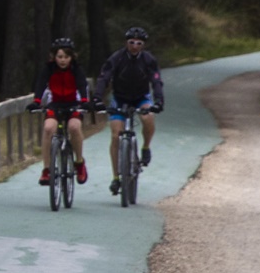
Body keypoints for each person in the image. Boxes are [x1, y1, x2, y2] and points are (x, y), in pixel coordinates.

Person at [95, 27, 164, 197]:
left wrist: (159, 101)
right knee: (115, 135)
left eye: (139, 43)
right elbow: (104, 77)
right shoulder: (117, 58)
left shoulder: (148, 59)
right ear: (126, 43)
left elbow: (156, 81)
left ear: (143, 45)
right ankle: (115, 177)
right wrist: (97, 98)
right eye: (131, 42)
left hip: (141, 97)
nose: (134, 46)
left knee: (148, 118)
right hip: (120, 98)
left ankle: (146, 147)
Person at [32, 37, 90, 185]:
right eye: (60, 57)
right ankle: (46, 170)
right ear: (54, 57)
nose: (63, 60)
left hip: (74, 104)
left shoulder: (76, 69)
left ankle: (79, 163)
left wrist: (85, 102)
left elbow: (82, 85)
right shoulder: (49, 69)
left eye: (66, 57)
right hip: (55, 104)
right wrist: (36, 101)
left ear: (72, 57)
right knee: (48, 128)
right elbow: (40, 84)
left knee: (74, 127)